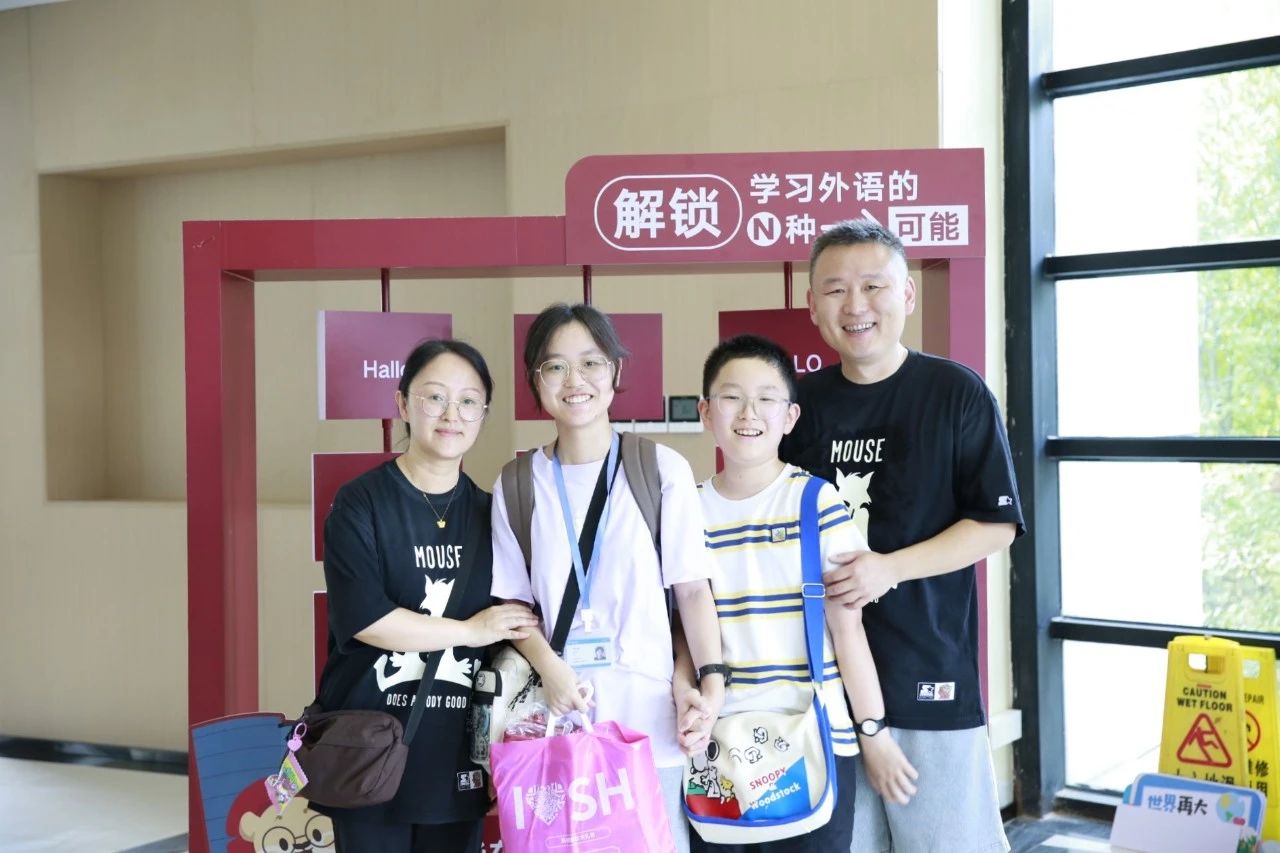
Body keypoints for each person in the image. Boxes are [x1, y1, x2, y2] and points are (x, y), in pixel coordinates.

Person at [779, 220, 1024, 853]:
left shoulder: (956, 392)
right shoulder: (797, 408)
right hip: (820, 688)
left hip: (928, 675)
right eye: (835, 289)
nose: (855, 305)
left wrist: (890, 568)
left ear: (907, 294)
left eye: (873, 286)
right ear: (812, 305)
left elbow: (995, 525)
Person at [491, 302, 726, 853]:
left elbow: (692, 591)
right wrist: (551, 670)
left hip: (650, 724)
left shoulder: (660, 469)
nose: (575, 381)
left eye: (591, 363)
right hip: (557, 722)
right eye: (555, 366)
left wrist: (710, 685)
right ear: (535, 381)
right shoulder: (518, 483)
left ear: (615, 371)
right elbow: (513, 608)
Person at [674, 334, 917, 853]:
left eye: (766, 398)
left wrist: (873, 732)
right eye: (731, 396)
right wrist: (683, 691)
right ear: (706, 411)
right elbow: (682, 627)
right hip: (719, 744)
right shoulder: (684, 512)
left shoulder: (816, 502)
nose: (749, 413)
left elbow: (848, 630)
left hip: (816, 739)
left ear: (789, 417)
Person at [318, 339, 539, 853]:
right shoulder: (360, 502)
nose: (451, 414)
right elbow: (367, 619)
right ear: (402, 403)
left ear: (483, 415)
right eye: (434, 397)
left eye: (468, 401)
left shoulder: (492, 513)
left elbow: (516, 625)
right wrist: (469, 631)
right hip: (370, 748)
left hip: (457, 753)